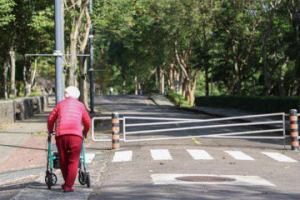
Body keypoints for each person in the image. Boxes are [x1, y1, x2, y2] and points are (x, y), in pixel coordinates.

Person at [47, 86, 91, 192]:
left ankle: (67, 183)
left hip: (61, 135)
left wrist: (50, 131)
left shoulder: (60, 104)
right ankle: (68, 185)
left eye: (65, 93)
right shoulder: (80, 105)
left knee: (63, 160)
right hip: (76, 136)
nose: (64, 94)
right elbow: (87, 122)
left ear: (68, 94)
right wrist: (85, 132)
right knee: (74, 160)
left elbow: (50, 119)